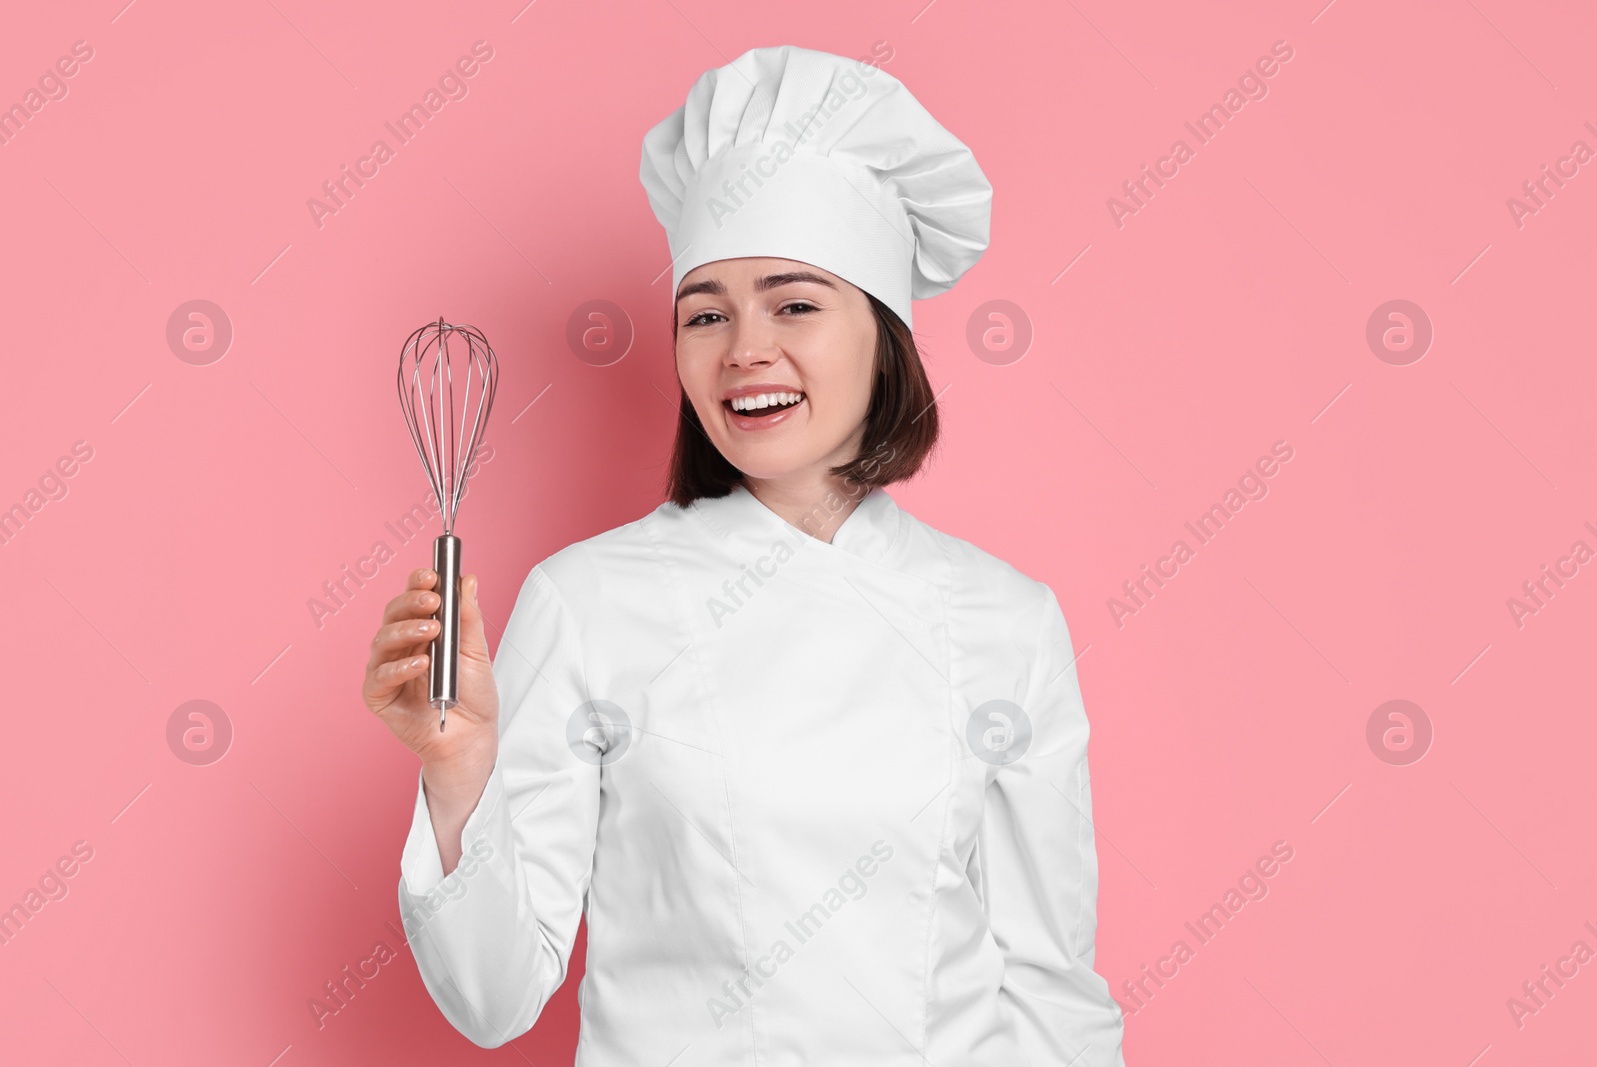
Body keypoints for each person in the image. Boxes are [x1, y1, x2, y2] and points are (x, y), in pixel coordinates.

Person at [363, 44, 1127, 1066]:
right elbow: (495, 996)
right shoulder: (588, 601)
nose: (742, 349)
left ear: (884, 331)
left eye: (795, 302)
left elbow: (1049, 985)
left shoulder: (1005, 618)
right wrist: (459, 774)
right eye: (705, 313)